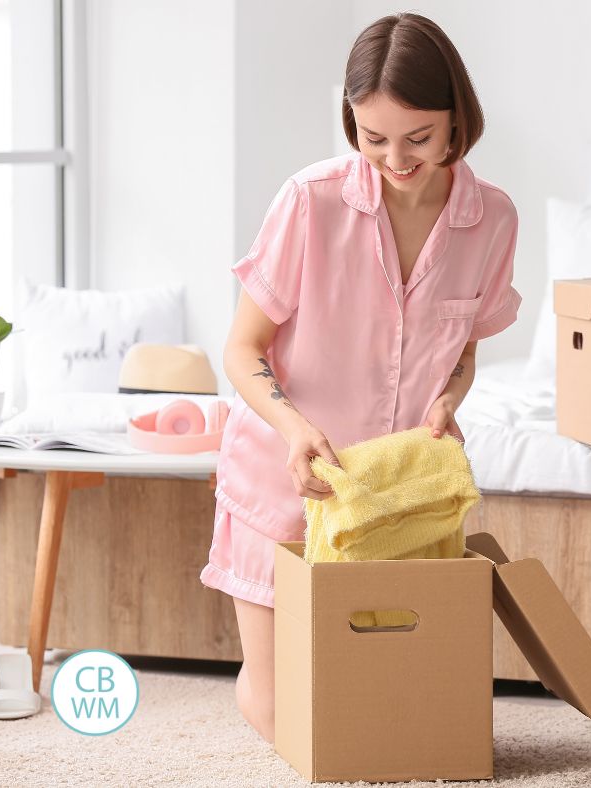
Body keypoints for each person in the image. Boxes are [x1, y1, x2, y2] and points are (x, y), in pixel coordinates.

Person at [199, 11, 522, 744]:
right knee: (286, 716)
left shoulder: (493, 219)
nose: (395, 159)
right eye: (373, 138)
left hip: (389, 500)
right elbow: (243, 349)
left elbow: (465, 345)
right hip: (285, 483)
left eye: (418, 138)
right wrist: (295, 429)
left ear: (456, 119)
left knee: (382, 716)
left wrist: (448, 398)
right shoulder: (309, 201)